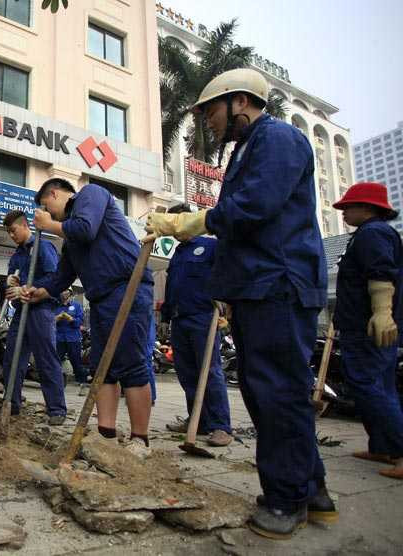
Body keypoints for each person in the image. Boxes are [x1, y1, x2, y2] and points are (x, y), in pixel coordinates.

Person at [145, 68, 336, 538]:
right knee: (274, 390)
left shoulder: (278, 138)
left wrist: (191, 222)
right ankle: (312, 490)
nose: (208, 122)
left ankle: (286, 499)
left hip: (278, 283)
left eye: (211, 111)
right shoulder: (249, 148)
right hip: (258, 287)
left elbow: (254, 206)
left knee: (276, 393)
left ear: (241, 102)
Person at [25, 179, 154, 451]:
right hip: (100, 299)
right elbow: (62, 276)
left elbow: (85, 229)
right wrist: (42, 291)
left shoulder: (91, 194)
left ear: (54, 193)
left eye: (47, 207)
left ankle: (140, 439)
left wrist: (49, 225)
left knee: (130, 363)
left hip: (127, 288)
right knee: (102, 368)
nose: (48, 214)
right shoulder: (70, 240)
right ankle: (106, 433)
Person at [332, 182, 403, 480]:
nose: (344, 212)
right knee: (378, 385)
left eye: (348, 207)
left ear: (368, 208)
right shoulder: (368, 234)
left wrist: (382, 312)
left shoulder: (373, 233)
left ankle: (399, 450)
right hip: (364, 324)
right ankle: (383, 447)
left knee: (367, 383)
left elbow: (381, 272)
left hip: (368, 326)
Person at [161, 203, 233, 447]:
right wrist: (166, 317)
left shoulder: (211, 246)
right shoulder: (178, 253)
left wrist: (225, 299)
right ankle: (198, 420)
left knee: (209, 371)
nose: (174, 229)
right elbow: (172, 287)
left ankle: (221, 426)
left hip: (203, 318)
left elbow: (227, 274)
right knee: (187, 373)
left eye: (177, 222)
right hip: (179, 319)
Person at [2, 210, 67, 425]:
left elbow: (53, 278)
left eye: (14, 231)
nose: (12, 235)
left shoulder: (43, 246)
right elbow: (12, 283)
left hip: (41, 310)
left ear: (25, 225)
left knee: (46, 359)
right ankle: (11, 404)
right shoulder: (17, 255)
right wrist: (10, 282)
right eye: (9, 232)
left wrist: (27, 288)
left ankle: (56, 410)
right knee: (12, 358)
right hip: (21, 311)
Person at [55, 289, 88, 390]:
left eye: (66, 291)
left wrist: (71, 319)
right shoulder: (56, 305)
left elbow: (80, 321)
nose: (64, 293)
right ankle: (56, 382)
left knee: (76, 361)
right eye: (62, 290)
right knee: (55, 360)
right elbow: (49, 320)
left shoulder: (76, 306)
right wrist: (57, 318)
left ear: (70, 293)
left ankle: (82, 383)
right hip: (59, 338)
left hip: (73, 338)